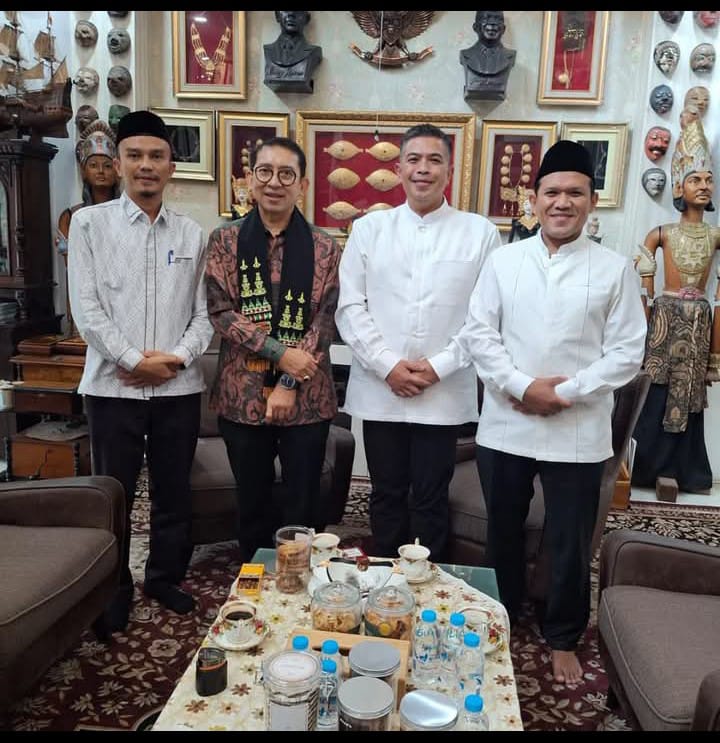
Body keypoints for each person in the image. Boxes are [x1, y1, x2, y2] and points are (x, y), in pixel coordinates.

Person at [458, 140, 646, 684]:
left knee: (569, 537)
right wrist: (522, 386)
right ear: (534, 200)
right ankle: (501, 615)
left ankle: (562, 635)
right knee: (503, 529)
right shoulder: (503, 261)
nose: (562, 202)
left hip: (578, 428)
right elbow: (479, 334)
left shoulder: (614, 269)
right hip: (506, 422)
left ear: (592, 202)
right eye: (552, 192)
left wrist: (564, 393)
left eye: (575, 193)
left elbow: (627, 352)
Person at [68, 110, 214, 631]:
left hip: (178, 388)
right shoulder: (88, 225)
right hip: (113, 389)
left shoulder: (193, 234)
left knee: (174, 491)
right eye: (135, 155)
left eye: (156, 156)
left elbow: (204, 316)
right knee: (114, 495)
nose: (146, 165)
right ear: (118, 163)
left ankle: (164, 576)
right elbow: (87, 311)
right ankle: (113, 590)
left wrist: (173, 361)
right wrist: (134, 361)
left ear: (172, 166)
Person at [335, 123, 501, 561]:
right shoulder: (369, 229)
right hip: (381, 388)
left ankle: (428, 583)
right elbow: (350, 307)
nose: (423, 169)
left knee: (431, 495)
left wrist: (438, 366)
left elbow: (484, 315)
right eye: (414, 159)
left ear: (449, 170)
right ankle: (384, 578)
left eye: (434, 160)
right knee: (385, 492)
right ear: (399, 169)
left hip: (442, 391)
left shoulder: (479, 233)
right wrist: (387, 365)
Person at [205, 136, 341, 563]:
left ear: (302, 184)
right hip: (241, 396)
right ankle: (257, 578)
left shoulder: (325, 247)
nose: (274, 182)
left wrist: (287, 381)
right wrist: (281, 354)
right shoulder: (225, 241)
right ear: (250, 179)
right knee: (252, 500)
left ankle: (300, 580)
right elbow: (221, 312)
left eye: (286, 174)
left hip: (307, 399)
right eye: (265, 172)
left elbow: (325, 320)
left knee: (303, 502)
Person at [631, 117, 720, 500]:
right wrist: (642, 332)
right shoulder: (662, 233)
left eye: (709, 180)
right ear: (679, 186)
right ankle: (644, 466)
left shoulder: (716, 235)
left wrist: (716, 355)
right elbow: (644, 288)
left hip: (699, 320)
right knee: (656, 389)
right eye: (695, 179)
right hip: (665, 318)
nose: (704, 186)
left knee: (690, 393)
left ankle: (684, 469)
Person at [57, 120, 121, 336]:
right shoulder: (70, 217)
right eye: (93, 165)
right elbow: (74, 269)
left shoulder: (129, 215)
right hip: (85, 301)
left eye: (107, 166)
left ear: (117, 170)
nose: (101, 171)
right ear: (84, 171)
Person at [459, 10, 516, 101]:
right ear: (475, 27)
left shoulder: (510, 56)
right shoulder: (465, 55)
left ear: (503, 29)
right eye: (486, 18)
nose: (492, 24)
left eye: (497, 19)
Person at [264, 11, 322, 93]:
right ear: (277, 15)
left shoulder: (314, 52)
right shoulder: (268, 51)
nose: (291, 14)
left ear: (307, 19)